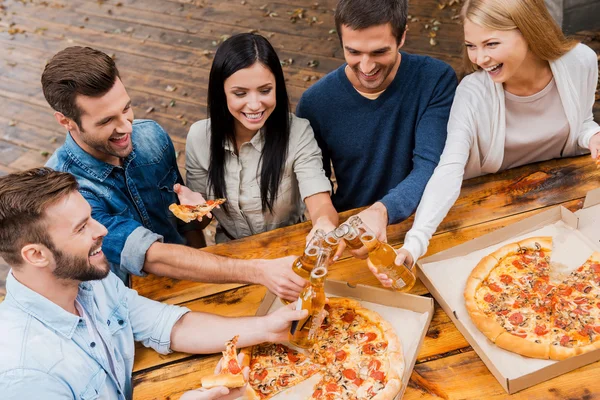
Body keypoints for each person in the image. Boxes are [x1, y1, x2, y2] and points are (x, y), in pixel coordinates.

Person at [0, 168, 307, 399]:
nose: (102, 230)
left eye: (91, 217)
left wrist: (268, 327)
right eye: (82, 228)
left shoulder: (88, 278)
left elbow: (165, 324)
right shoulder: (25, 375)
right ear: (36, 255)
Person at [43, 46, 305, 301]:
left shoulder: (152, 136)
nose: (126, 127)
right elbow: (148, 254)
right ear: (65, 121)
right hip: (130, 302)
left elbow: (187, 224)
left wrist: (199, 218)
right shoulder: (65, 192)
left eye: (126, 109)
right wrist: (257, 271)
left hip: (199, 276)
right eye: (106, 121)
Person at [395, 0, 600, 273]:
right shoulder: (471, 93)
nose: (479, 59)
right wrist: (415, 242)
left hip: (564, 200)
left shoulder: (581, 61)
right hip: (492, 212)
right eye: (471, 46)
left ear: (529, 31)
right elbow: (449, 168)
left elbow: (583, 122)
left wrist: (592, 135)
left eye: (491, 44)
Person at [296, 0, 457, 265]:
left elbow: (431, 164)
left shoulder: (435, 79)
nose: (367, 66)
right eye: (354, 52)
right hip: (351, 235)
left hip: (425, 222)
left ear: (402, 36)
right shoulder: (315, 102)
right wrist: (324, 221)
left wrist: (383, 211)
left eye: (379, 52)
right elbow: (315, 180)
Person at [186, 33, 338, 243]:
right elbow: (199, 223)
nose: (255, 104)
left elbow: (320, 201)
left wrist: (323, 224)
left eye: (265, 90)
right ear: (221, 93)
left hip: (287, 247)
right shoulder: (199, 138)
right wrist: (191, 210)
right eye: (240, 94)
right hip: (230, 254)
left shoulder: (298, 131)